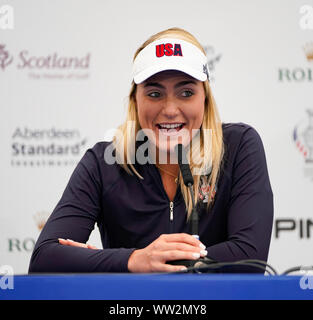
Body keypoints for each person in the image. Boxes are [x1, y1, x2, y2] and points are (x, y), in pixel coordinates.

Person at [28, 27, 273, 274]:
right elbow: (44, 260)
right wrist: (133, 260)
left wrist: (117, 261)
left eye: (186, 93)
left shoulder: (239, 146)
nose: (169, 109)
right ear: (135, 100)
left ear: (205, 98)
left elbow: (250, 258)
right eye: (154, 93)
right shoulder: (104, 163)